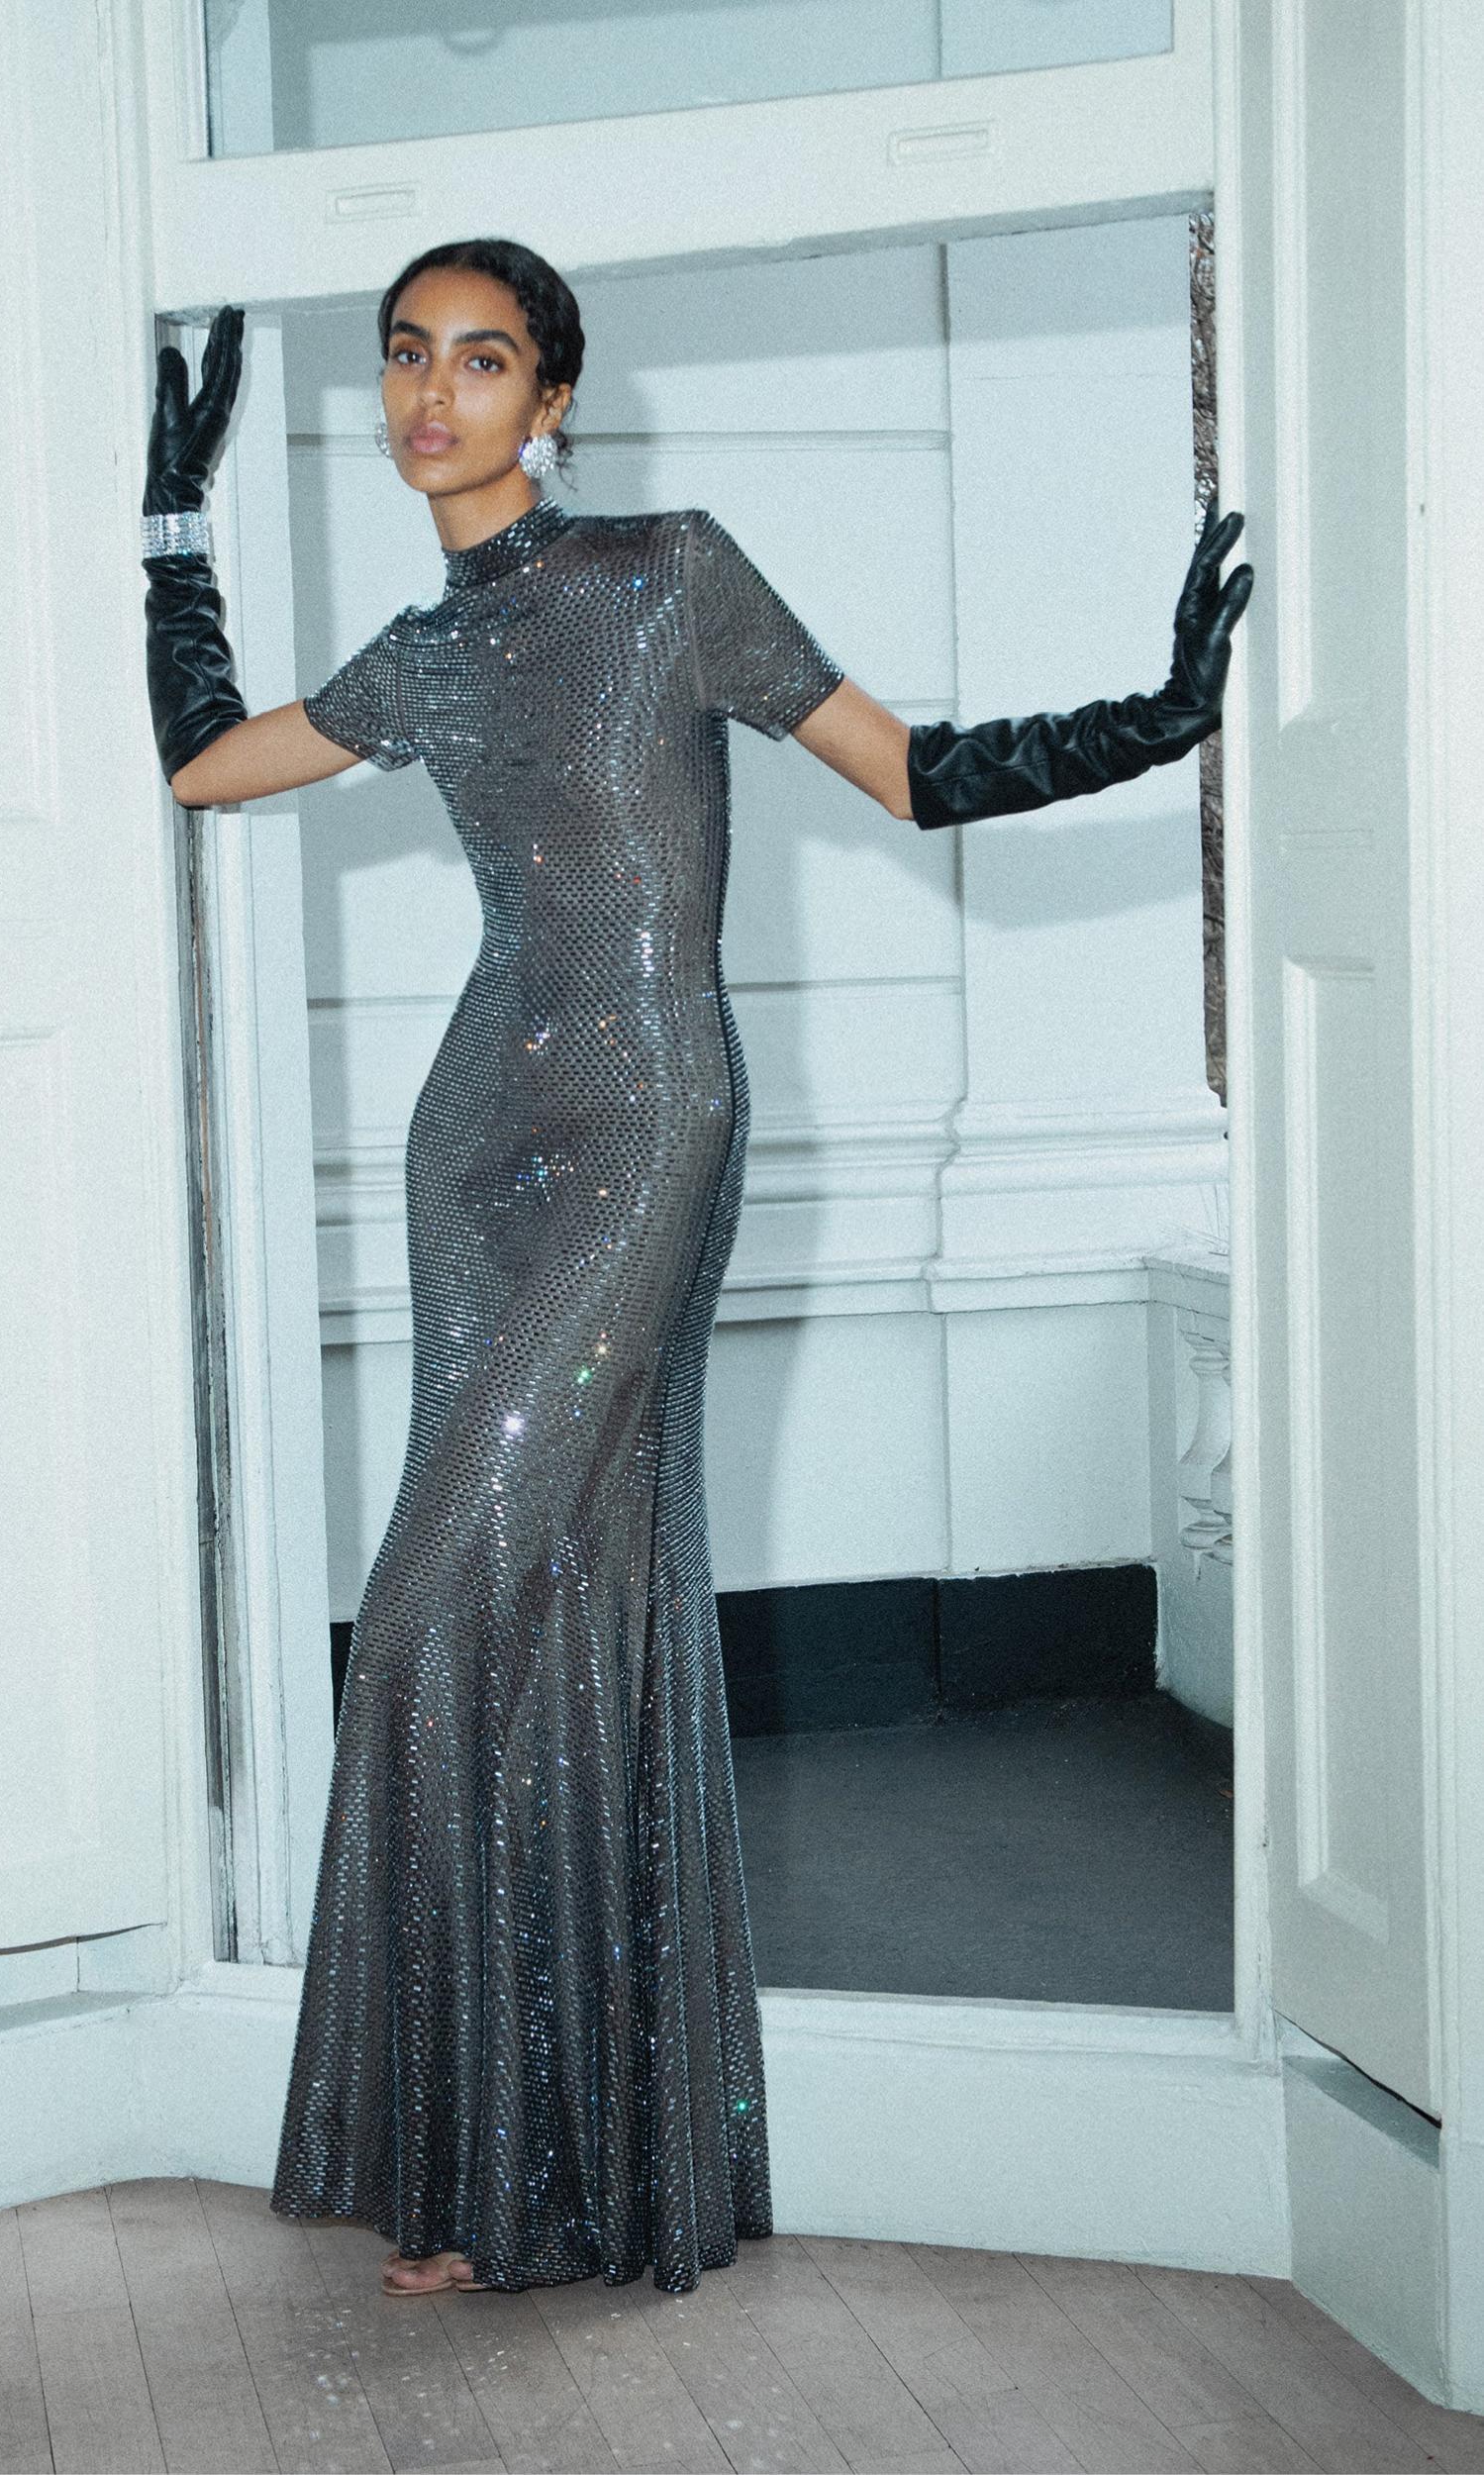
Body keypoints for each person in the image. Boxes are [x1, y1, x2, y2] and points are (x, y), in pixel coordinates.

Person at [140, 237, 1252, 2300]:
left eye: (483, 359)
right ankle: (497, 2170)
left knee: (420, 1615)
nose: (434, 394)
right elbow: (202, 761)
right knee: (523, 1618)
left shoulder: (668, 575)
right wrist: (168, 533)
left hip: (648, 1118)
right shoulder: (417, 654)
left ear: (553, 397)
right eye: (407, 356)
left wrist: (1167, 712)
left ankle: (522, 2149)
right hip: (477, 1131)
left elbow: (917, 773)